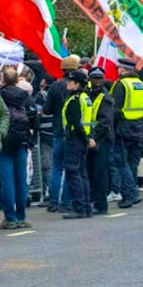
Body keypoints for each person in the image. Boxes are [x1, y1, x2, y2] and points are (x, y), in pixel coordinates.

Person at [0, 68, 36, 229]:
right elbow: (34, 118)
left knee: (7, 181)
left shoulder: (0, 96)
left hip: (5, 142)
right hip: (22, 141)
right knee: (21, 181)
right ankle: (21, 216)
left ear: (3, 80)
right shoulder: (24, 97)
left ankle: (10, 218)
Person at [43, 55, 80, 212]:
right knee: (69, 166)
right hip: (71, 132)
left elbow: (48, 109)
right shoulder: (79, 86)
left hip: (58, 129)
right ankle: (66, 201)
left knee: (56, 166)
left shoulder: (55, 86)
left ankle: (53, 201)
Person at [110, 58, 143, 208]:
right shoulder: (142, 86)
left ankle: (130, 194)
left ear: (122, 69)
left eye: (119, 68)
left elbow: (115, 110)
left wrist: (112, 128)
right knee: (132, 163)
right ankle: (132, 193)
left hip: (122, 128)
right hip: (138, 128)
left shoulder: (121, 85)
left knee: (121, 162)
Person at [61, 69, 94, 219]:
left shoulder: (74, 100)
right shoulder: (86, 98)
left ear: (77, 84)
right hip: (82, 138)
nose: (67, 83)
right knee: (82, 173)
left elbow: (76, 122)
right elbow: (89, 122)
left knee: (73, 173)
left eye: (70, 81)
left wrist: (85, 139)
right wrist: (88, 138)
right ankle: (86, 207)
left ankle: (79, 207)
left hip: (75, 138)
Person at [86, 68, 115, 214]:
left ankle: (101, 205)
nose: (96, 81)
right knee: (90, 172)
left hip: (101, 139)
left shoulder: (106, 97)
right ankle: (93, 201)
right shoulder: (87, 94)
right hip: (89, 138)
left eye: (99, 78)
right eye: (94, 78)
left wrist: (94, 137)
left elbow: (105, 122)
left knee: (100, 173)